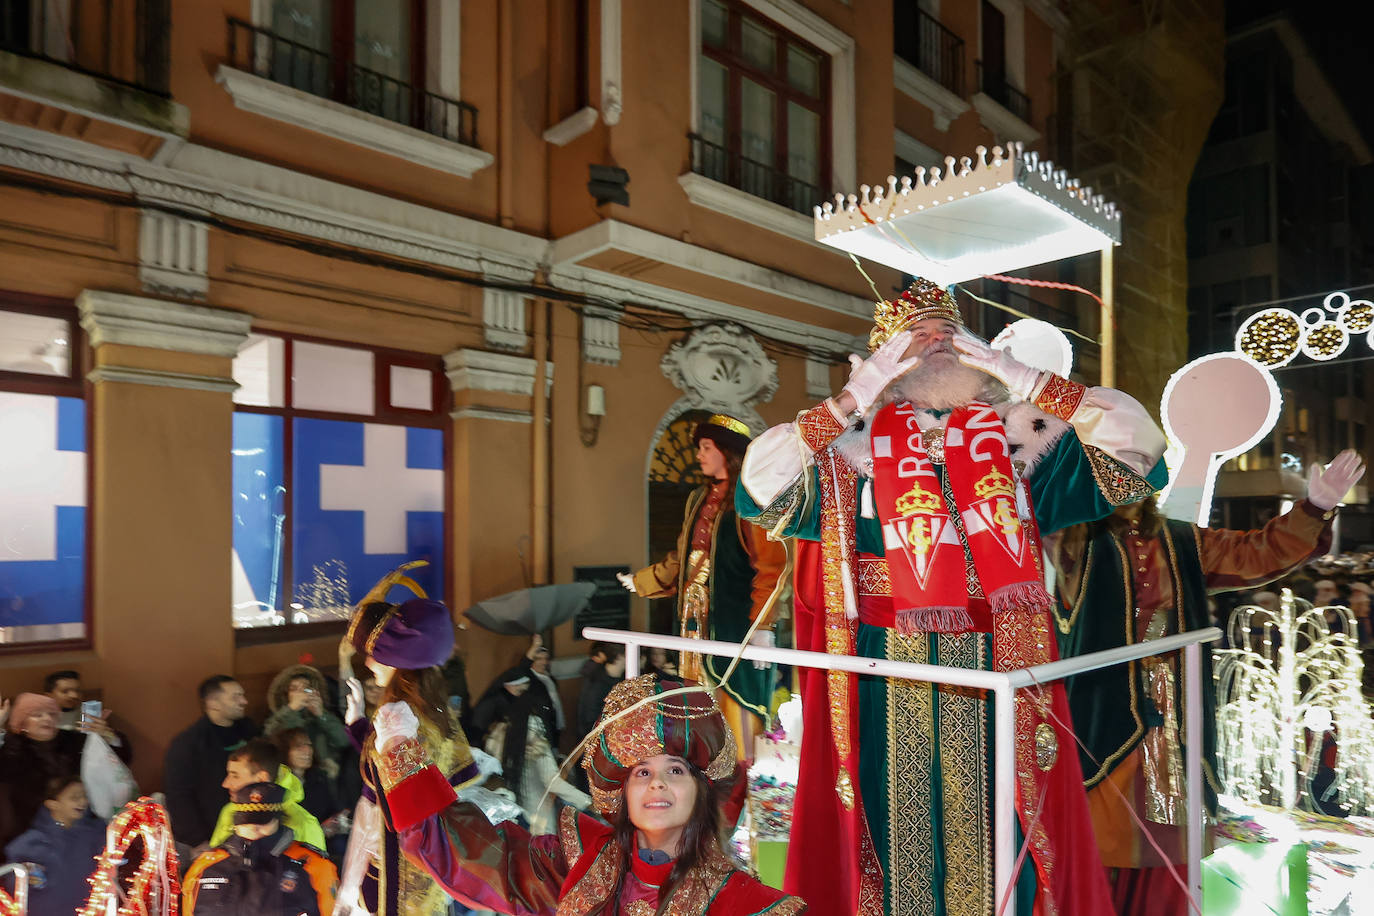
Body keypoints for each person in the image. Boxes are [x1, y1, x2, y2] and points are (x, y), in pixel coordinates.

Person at [736, 278, 1167, 914]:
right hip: (882, 675)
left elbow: (1139, 449)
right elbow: (759, 484)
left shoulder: (1026, 447)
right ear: (886, 361)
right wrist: (853, 398)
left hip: (1000, 662)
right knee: (891, 833)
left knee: (999, 827)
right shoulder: (845, 459)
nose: (937, 343)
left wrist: (1017, 373)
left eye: (949, 333)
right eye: (915, 338)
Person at [1049, 450, 1364, 916]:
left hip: (1177, 716)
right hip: (1104, 711)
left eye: (1140, 462)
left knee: (1173, 843)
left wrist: (1314, 508)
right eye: (1118, 462)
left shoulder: (1182, 539)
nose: (1131, 473)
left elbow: (1256, 552)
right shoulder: (1072, 535)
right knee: (1099, 834)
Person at [368, 672, 806, 914]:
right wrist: (401, 754)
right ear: (623, 793)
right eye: (640, 773)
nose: (657, 783)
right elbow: (478, 856)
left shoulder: (741, 904)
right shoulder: (580, 866)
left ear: (700, 790)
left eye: (675, 770)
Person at [618, 414, 787, 761]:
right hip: (694, 622)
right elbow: (682, 559)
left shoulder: (754, 498)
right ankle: (703, 780)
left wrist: (763, 626)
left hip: (736, 624)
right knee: (695, 701)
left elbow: (772, 567)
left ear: (728, 452)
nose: (699, 455)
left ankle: (740, 788)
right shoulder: (698, 498)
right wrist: (642, 581)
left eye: (706, 448)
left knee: (736, 704)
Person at [341, 561, 481, 916]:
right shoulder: (432, 710)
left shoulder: (398, 717)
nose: (370, 664)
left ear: (396, 661)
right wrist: (359, 726)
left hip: (396, 866)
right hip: (429, 863)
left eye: (375, 656)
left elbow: (401, 796)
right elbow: (400, 774)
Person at [183, 782, 338, 916]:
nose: (253, 828)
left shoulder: (312, 867)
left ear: (278, 820)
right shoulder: (205, 867)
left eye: (263, 822)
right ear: (235, 822)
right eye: (246, 821)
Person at [164, 676, 257, 851]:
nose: (244, 701)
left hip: (255, 830)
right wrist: (198, 841)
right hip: (213, 839)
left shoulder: (251, 732)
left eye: (243, 695)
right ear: (214, 703)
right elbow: (179, 796)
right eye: (235, 697)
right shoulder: (188, 744)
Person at [4, 776, 106, 916]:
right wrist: (28, 878)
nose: (83, 802)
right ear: (53, 804)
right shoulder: (33, 841)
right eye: (74, 797)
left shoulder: (95, 833)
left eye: (84, 796)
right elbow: (13, 879)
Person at [0, 694, 88, 851]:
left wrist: (107, 735)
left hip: (76, 824)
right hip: (30, 828)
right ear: (23, 723)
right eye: (37, 715)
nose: (47, 719)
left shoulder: (71, 740)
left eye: (51, 714)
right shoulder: (13, 746)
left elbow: (114, 757)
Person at [209, 738, 326, 851]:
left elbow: (316, 869)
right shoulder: (229, 811)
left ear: (262, 779)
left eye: (235, 776)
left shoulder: (304, 824)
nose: (225, 784)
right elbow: (214, 860)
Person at [262, 664, 352, 783]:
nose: (301, 693)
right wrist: (292, 709)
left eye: (306, 688)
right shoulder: (279, 717)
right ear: (286, 695)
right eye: (294, 689)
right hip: (286, 780)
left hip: (323, 780)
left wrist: (321, 715)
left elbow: (344, 740)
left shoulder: (323, 716)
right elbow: (270, 737)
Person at [276, 728, 350, 860]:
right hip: (293, 847)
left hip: (324, 842)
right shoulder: (279, 784)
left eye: (309, 745)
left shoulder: (319, 778)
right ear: (285, 751)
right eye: (298, 746)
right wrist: (319, 829)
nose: (307, 750)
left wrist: (337, 820)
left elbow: (333, 809)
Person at [43, 670, 131, 759]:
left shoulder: (90, 714)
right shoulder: (41, 720)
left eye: (78, 691)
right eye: (65, 691)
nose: (74, 695)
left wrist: (107, 734)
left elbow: (123, 755)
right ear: (49, 696)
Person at [519, 636, 565, 746]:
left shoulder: (550, 678)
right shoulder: (530, 680)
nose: (543, 662)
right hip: (540, 731)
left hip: (553, 726)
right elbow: (523, 668)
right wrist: (535, 645)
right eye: (539, 659)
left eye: (546, 658)